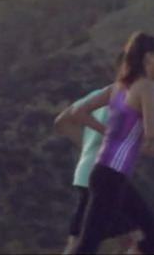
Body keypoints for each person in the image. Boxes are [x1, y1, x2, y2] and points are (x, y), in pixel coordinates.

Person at [59, 32, 154, 255]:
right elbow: (153, 130)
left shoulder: (118, 87)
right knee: (86, 247)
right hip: (110, 176)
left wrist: (112, 134)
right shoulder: (147, 86)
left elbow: (77, 112)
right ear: (149, 57)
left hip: (109, 176)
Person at [56, 71, 141, 254]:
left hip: (87, 173)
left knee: (126, 236)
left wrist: (86, 146)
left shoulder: (97, 96)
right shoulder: (127, 101)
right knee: (132, 237)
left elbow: (62, 121)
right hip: (105, 174)